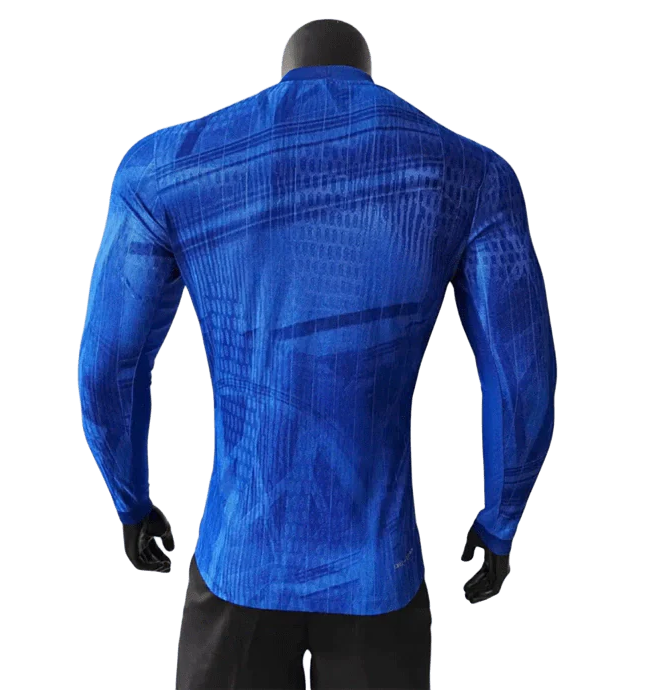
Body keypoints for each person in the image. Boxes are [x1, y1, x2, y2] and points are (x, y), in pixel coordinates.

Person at [77, 16, 555, 690]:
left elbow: (109, 371)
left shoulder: (169, 168)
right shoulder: (466, 174)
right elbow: (520, 380)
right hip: (377, 571)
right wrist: (499, 523)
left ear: (286, 66)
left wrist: (131, 502)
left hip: (238, 560)